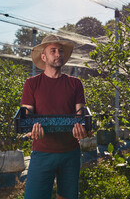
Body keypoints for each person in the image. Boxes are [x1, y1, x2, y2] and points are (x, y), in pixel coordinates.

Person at [21, 34, 87, 199]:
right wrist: (30, 130)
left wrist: (83, 129)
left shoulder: (75, 83)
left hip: (70, 152)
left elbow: (80, 115)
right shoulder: (32, 83)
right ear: (43, 57)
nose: (58, 54)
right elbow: (26, 115)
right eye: (53, 51)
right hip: (42, 151)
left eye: (60, 51)